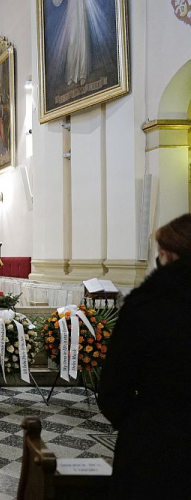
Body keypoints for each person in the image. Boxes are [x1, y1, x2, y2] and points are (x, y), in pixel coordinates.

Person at [98, 213, 191, 499]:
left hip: (155, 445)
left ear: (166, 255)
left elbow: (114, 390)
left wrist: (142, 423)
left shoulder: (147, 307)